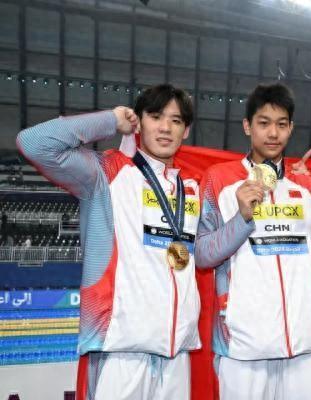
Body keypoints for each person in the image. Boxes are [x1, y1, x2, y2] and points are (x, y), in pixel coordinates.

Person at [17, 84, 202, 400]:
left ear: (185, 131)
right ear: (139, 122)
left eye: (176, 120)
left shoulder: (190, 189)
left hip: (177, 353)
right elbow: (33, 142)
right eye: (156, 117)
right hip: (120, 348)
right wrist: (110, 120)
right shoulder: (106, 173)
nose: (165, 128)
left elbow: (205, 254)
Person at [194, 82, 311, 400]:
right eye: (263, 123)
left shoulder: (307, 186)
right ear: (248, 126)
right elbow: (203, 255)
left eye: (281, 124)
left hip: (303, 345)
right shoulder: (219, 179)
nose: (273, 133)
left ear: (291, 128)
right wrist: (242, 218)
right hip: (242, 346)